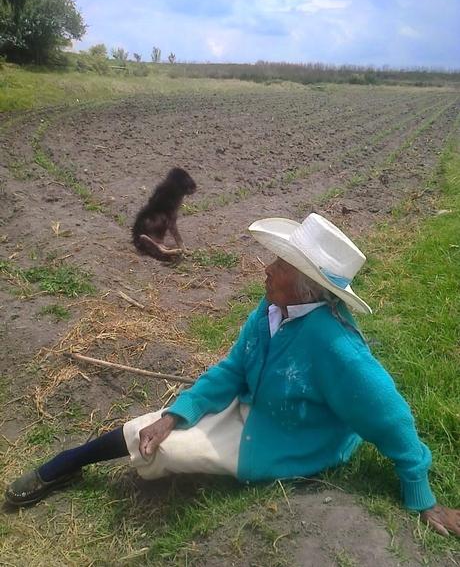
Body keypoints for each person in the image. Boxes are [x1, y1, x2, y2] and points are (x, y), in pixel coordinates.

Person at [5, 214, 460, 537]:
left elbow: (392, 416)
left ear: (307, 285)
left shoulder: (337, 348)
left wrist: (420, 493)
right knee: (156, 428)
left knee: (172, 450)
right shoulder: (272, 308)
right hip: (253, 405)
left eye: (280, 265)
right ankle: (68, 464)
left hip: (285, 437)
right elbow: (232, 369)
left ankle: (80, 462)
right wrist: (176, 413)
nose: (267, 268)